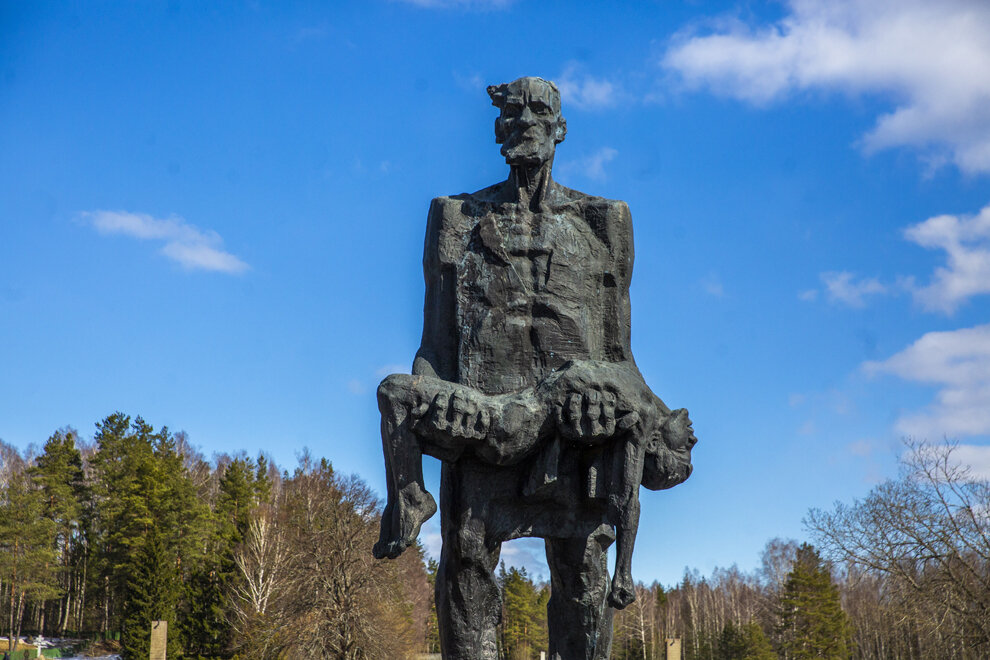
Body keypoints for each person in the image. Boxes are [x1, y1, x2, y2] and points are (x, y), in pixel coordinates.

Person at [374, 76, 695, 660]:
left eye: (539, 110)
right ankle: (411, 499)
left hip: (578, 435)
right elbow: (434, 346)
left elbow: (620, 357)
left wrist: (651, 420)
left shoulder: (604, 220)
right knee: (466, 566)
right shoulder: (454, 217)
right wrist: (432, 401)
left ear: (560, 128)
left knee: (584, 581)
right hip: (485, 431)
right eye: (513, 112)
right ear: (498, 129)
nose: (525, 121)